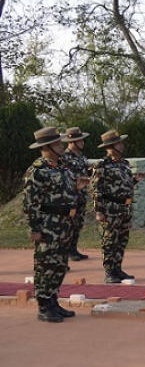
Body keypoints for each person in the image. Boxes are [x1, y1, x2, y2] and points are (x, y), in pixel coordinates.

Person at [23, 127, 90, 322]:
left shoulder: (61, 168)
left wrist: (76, 186)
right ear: (47, 147)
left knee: (60, 264)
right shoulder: (37, 171)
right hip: (48, 225)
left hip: (64, 223)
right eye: (58, 143)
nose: (61, 146)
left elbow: (64, 190)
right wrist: (35, 228)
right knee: (46, 265)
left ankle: (53, 301)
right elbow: (30, 203)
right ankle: (44, 306)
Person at [92, 130, 144, 283]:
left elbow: (124, 185)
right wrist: (99, 211)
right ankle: (109, 272)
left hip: (125, 209)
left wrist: (135, 180)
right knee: (110, 241)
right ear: (110, 147)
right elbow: (96, 189)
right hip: (110, 209)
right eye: (118, 143)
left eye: (121, 143)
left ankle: (118, 268)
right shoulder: (102, 165)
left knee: (122, 240)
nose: (122, 145)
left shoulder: (124, 163)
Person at [61, 127, 91, 262]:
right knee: (69, 223)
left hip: (81, 195)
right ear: (71, 141)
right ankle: (66, 250)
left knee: (78, 223)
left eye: (82, 140)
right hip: (70, 196)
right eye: (79, 140)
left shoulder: (82, 156)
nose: (82, 142)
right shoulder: (64, 157)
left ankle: (73, 249)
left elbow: (86, 171)